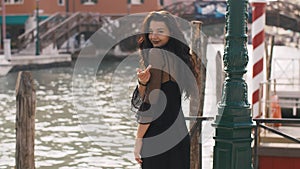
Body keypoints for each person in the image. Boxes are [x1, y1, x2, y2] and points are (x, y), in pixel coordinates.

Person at [131, 11, 197, 169]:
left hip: (158, 138)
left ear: (171, 33)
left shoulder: (156, 54)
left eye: (160, 31)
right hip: (179, 135)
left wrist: (138, 139)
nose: (154, 36)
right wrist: (142, 82)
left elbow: (151, 104)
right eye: (151, 31)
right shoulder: (180, 58)